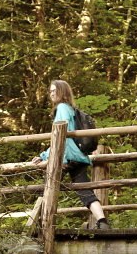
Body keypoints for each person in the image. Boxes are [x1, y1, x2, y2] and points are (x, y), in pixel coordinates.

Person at [35, 80, 109, 230]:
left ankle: (43, 226)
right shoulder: (71, 109)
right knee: (84, 190)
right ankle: (102, 221)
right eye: (50, 91)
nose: (51, 94)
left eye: (54, 90)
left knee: (47, 188)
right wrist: (44, 155)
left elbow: (60, 137)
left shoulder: (62, 108)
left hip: (65, 157)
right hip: (78, 157)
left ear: (63, 91)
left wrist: (49, 157)